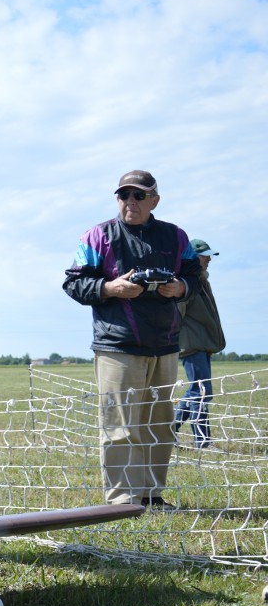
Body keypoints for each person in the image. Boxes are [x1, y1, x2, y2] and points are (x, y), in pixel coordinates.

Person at [63, 170, 201, 509]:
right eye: (124, 195)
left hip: (166, 345)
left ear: (155, 199)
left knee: (160, 426)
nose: (131, 202)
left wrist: (181, 287)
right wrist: (109, 288)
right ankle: (123, 500)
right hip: (117, 346)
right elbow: (73, 283)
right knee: (120, 427)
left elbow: (195, 276)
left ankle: (152, 494)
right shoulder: (98, 236)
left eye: (139, 196)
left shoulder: (176, 236)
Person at [173, 238, 226, 450]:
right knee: (201, 392)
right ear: (193, 257)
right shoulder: (187, 281)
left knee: (198, 390)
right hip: (192, 344)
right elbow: (176, 314)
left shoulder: (200, 278)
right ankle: (202, 443)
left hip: (200, 344)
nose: (209, 259)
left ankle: (167, 431)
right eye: (205, 255)